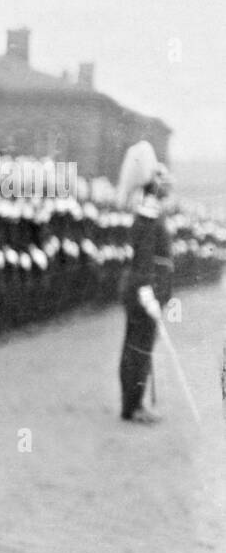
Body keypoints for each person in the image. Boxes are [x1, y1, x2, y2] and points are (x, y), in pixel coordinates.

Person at [116, 141, 173, 424]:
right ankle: (133, 406)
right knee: (138, 348)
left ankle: (132, 403)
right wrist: (147, 290)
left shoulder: (149, 214)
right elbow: (144, 258)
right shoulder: (149, 217)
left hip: (145, 290)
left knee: (137, 345)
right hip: (143, 291)